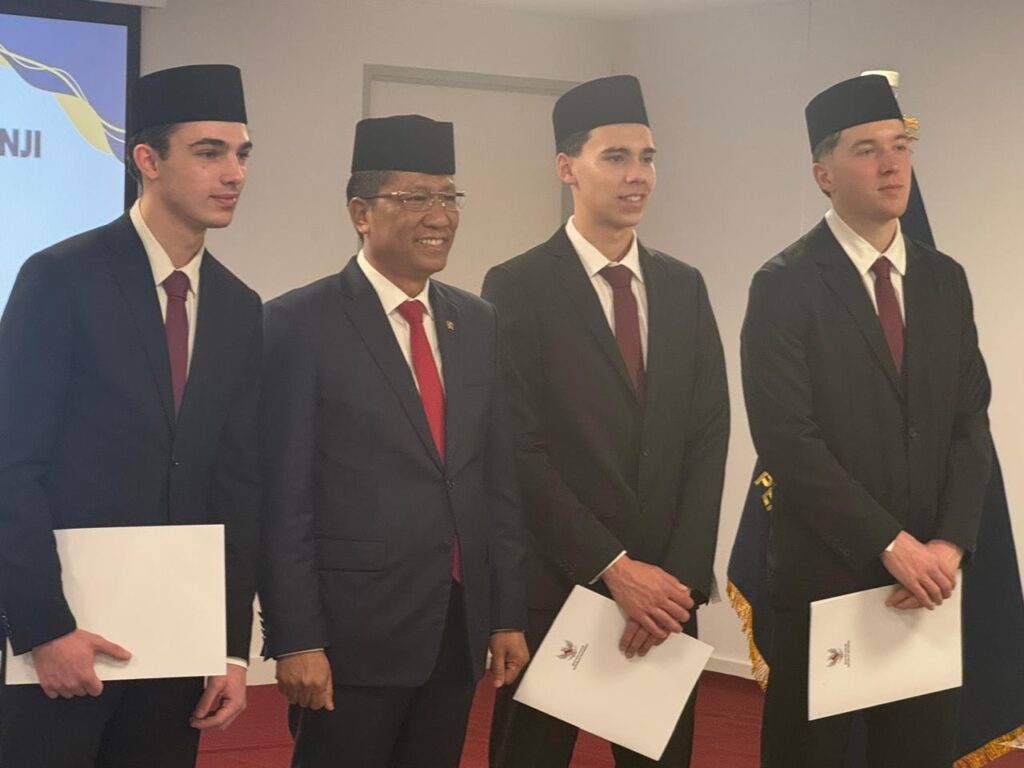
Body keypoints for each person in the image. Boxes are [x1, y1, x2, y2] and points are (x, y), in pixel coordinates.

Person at [0, 64, 262, 766]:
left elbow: (237, 487)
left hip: (177, 647)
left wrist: (229, 646)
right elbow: (11, 464)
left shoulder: (240, 308)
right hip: (62, 644)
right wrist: (42, 627)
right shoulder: (61, 278)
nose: (233, 173)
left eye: (242, 154)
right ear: (147, 159)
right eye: (209, 152)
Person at [259, 114, 529, 768]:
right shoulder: (298, 323)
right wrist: (296, 638)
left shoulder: (478, 322)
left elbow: (496, 479)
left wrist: (505, 613)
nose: (439, 216)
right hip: (349, 635)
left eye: (448, 197)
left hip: (454, 628)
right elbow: (281, 497)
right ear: (361, 212)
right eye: (414, 198)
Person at [741, 74, 992, 768]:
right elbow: (788, 440)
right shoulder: (784, 284)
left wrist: (947, 545)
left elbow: (970, 423)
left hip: (928, 585)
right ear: (823, 173)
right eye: (867, 149)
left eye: (900, 145)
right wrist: (890, 543)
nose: (892, 164)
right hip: (827, 581)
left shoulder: (945, 279)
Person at [482, 74, 729, 767]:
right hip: (557, 590)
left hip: (664, 603)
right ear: (567, 168)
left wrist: (677, 583)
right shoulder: (518, 286)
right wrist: (614, 568)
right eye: (615, 157)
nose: (637, 175)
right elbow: (519, 448)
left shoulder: (683, 286)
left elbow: (708, 436)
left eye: (646, 158)